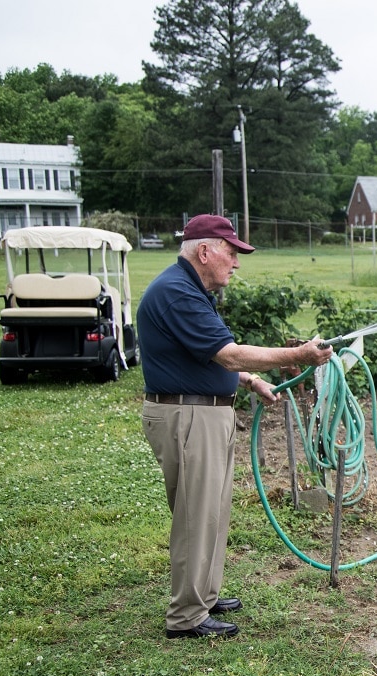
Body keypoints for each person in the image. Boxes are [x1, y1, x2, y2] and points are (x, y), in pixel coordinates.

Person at [137, 214, 333, 639]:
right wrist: (298, 355)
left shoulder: (189, 289)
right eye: (231, 251)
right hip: (189, 417)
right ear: (204, 251)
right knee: (196, 515)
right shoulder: (177, 293)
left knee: (210, 512)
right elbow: (228, 354)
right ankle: (186, 617)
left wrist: (248, 380)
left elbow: (201, 356)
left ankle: (203, 596)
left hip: (201, 413)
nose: (236, 262)